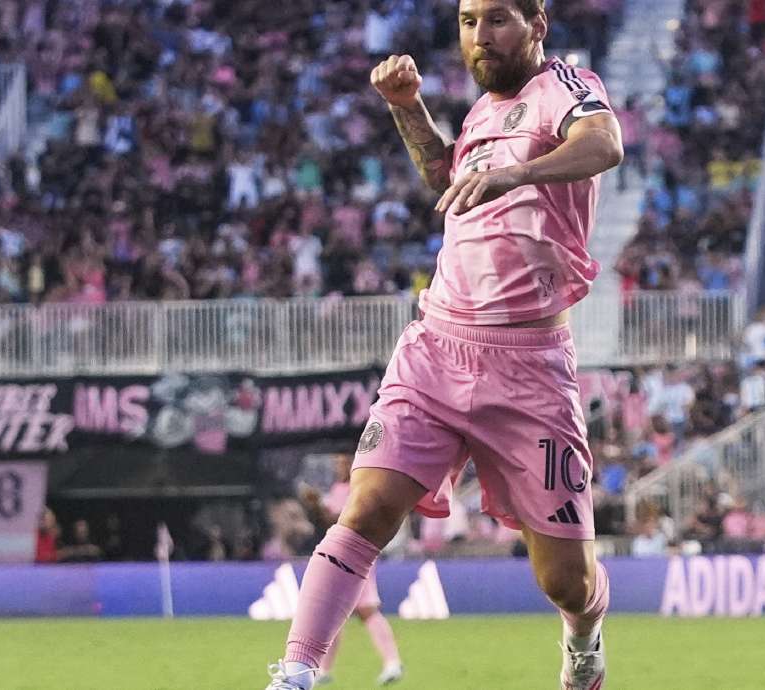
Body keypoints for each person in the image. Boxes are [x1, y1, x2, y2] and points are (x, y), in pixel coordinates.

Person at [264, 1, 624, 687]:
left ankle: (584, 639)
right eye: (467, 21)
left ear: (536, 24)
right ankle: (298, 674)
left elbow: (606, 146)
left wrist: (520, 173)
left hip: (529, 370)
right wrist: (407, 107)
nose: (479, 36)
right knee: (366, 507)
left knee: (566, 581)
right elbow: (447, 179)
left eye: (496, 19)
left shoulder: (566, 88)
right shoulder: (482, 112)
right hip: (438, 345)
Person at [316, 456, 405, 686]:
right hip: (341, 551)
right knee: (334, 613)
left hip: (356, 551)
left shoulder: (360, 485)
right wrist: (318, 506)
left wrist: (319, 506)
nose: (340, 467)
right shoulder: (343, 487)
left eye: (345, 463)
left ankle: (392, 662)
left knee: (366, 610)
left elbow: (349, 519)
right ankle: (323, 669)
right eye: (338, 464)